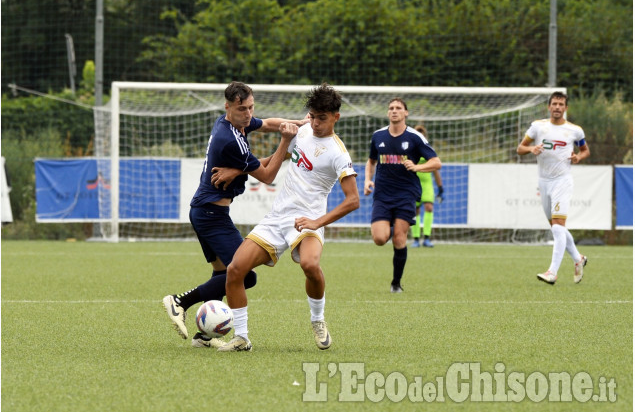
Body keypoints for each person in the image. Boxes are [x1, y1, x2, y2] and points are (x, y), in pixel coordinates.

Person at [162, 81, 305, 347]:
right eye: (242, 109)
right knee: (245, 274)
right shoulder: (231, 140)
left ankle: (203, 336)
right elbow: (268, 175)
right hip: (210, 215)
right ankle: (179, 301)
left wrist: (300, 123)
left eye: (251, 107)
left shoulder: (229, 123)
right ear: (228, 107)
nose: (248, 114)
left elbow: (269, 123)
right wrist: (286, 141)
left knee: (223, 275)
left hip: (205, 212)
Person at [218, 82, 359, 352]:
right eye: (313, 116)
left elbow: (353, 201)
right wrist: (239, 170)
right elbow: (278, 158)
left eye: (322, 118)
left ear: (335, 118)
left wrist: (317, 223)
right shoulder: (303, 131)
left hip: (308, 220)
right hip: (278, 217)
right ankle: (242, 338)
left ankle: (317, 320)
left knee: (309, 265)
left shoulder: (338, 154)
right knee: (235, 269)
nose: (315, 123)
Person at [364, 98, 441, 293]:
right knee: (380, 239)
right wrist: (367, 180)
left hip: (406, 194)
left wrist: (417, 167)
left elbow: (436, 162)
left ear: (406, 113)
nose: (394, 111)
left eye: (398, 108)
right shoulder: (378, 136)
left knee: (399, 239)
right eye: (391, 108)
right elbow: (371, 161)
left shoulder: (415, 137)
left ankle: (396, 283)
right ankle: (390, 223)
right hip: (382, 193)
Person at [517, 91, 589, 285]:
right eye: (554, 104)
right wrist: (531, 149)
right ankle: (578, 259)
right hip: (544, 182)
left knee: (558, 226)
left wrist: (578, 158)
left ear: (566, 108)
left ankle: (552, 272)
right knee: (557, 228)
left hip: (562, 181)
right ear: (549, 106)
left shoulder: (575, 130)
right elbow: (520, 148)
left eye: (561, 104)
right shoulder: (537, 127)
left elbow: (585, 150)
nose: (557, 107)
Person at [411, 125, 444, 248]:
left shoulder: (428, 149)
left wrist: (440, 187)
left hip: (427, 184)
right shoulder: (409, 150)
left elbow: (435, 169)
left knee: (429, 207)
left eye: (422, 134)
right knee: (415, 210)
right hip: (414, 183)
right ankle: (415, 239)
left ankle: (427, 238)